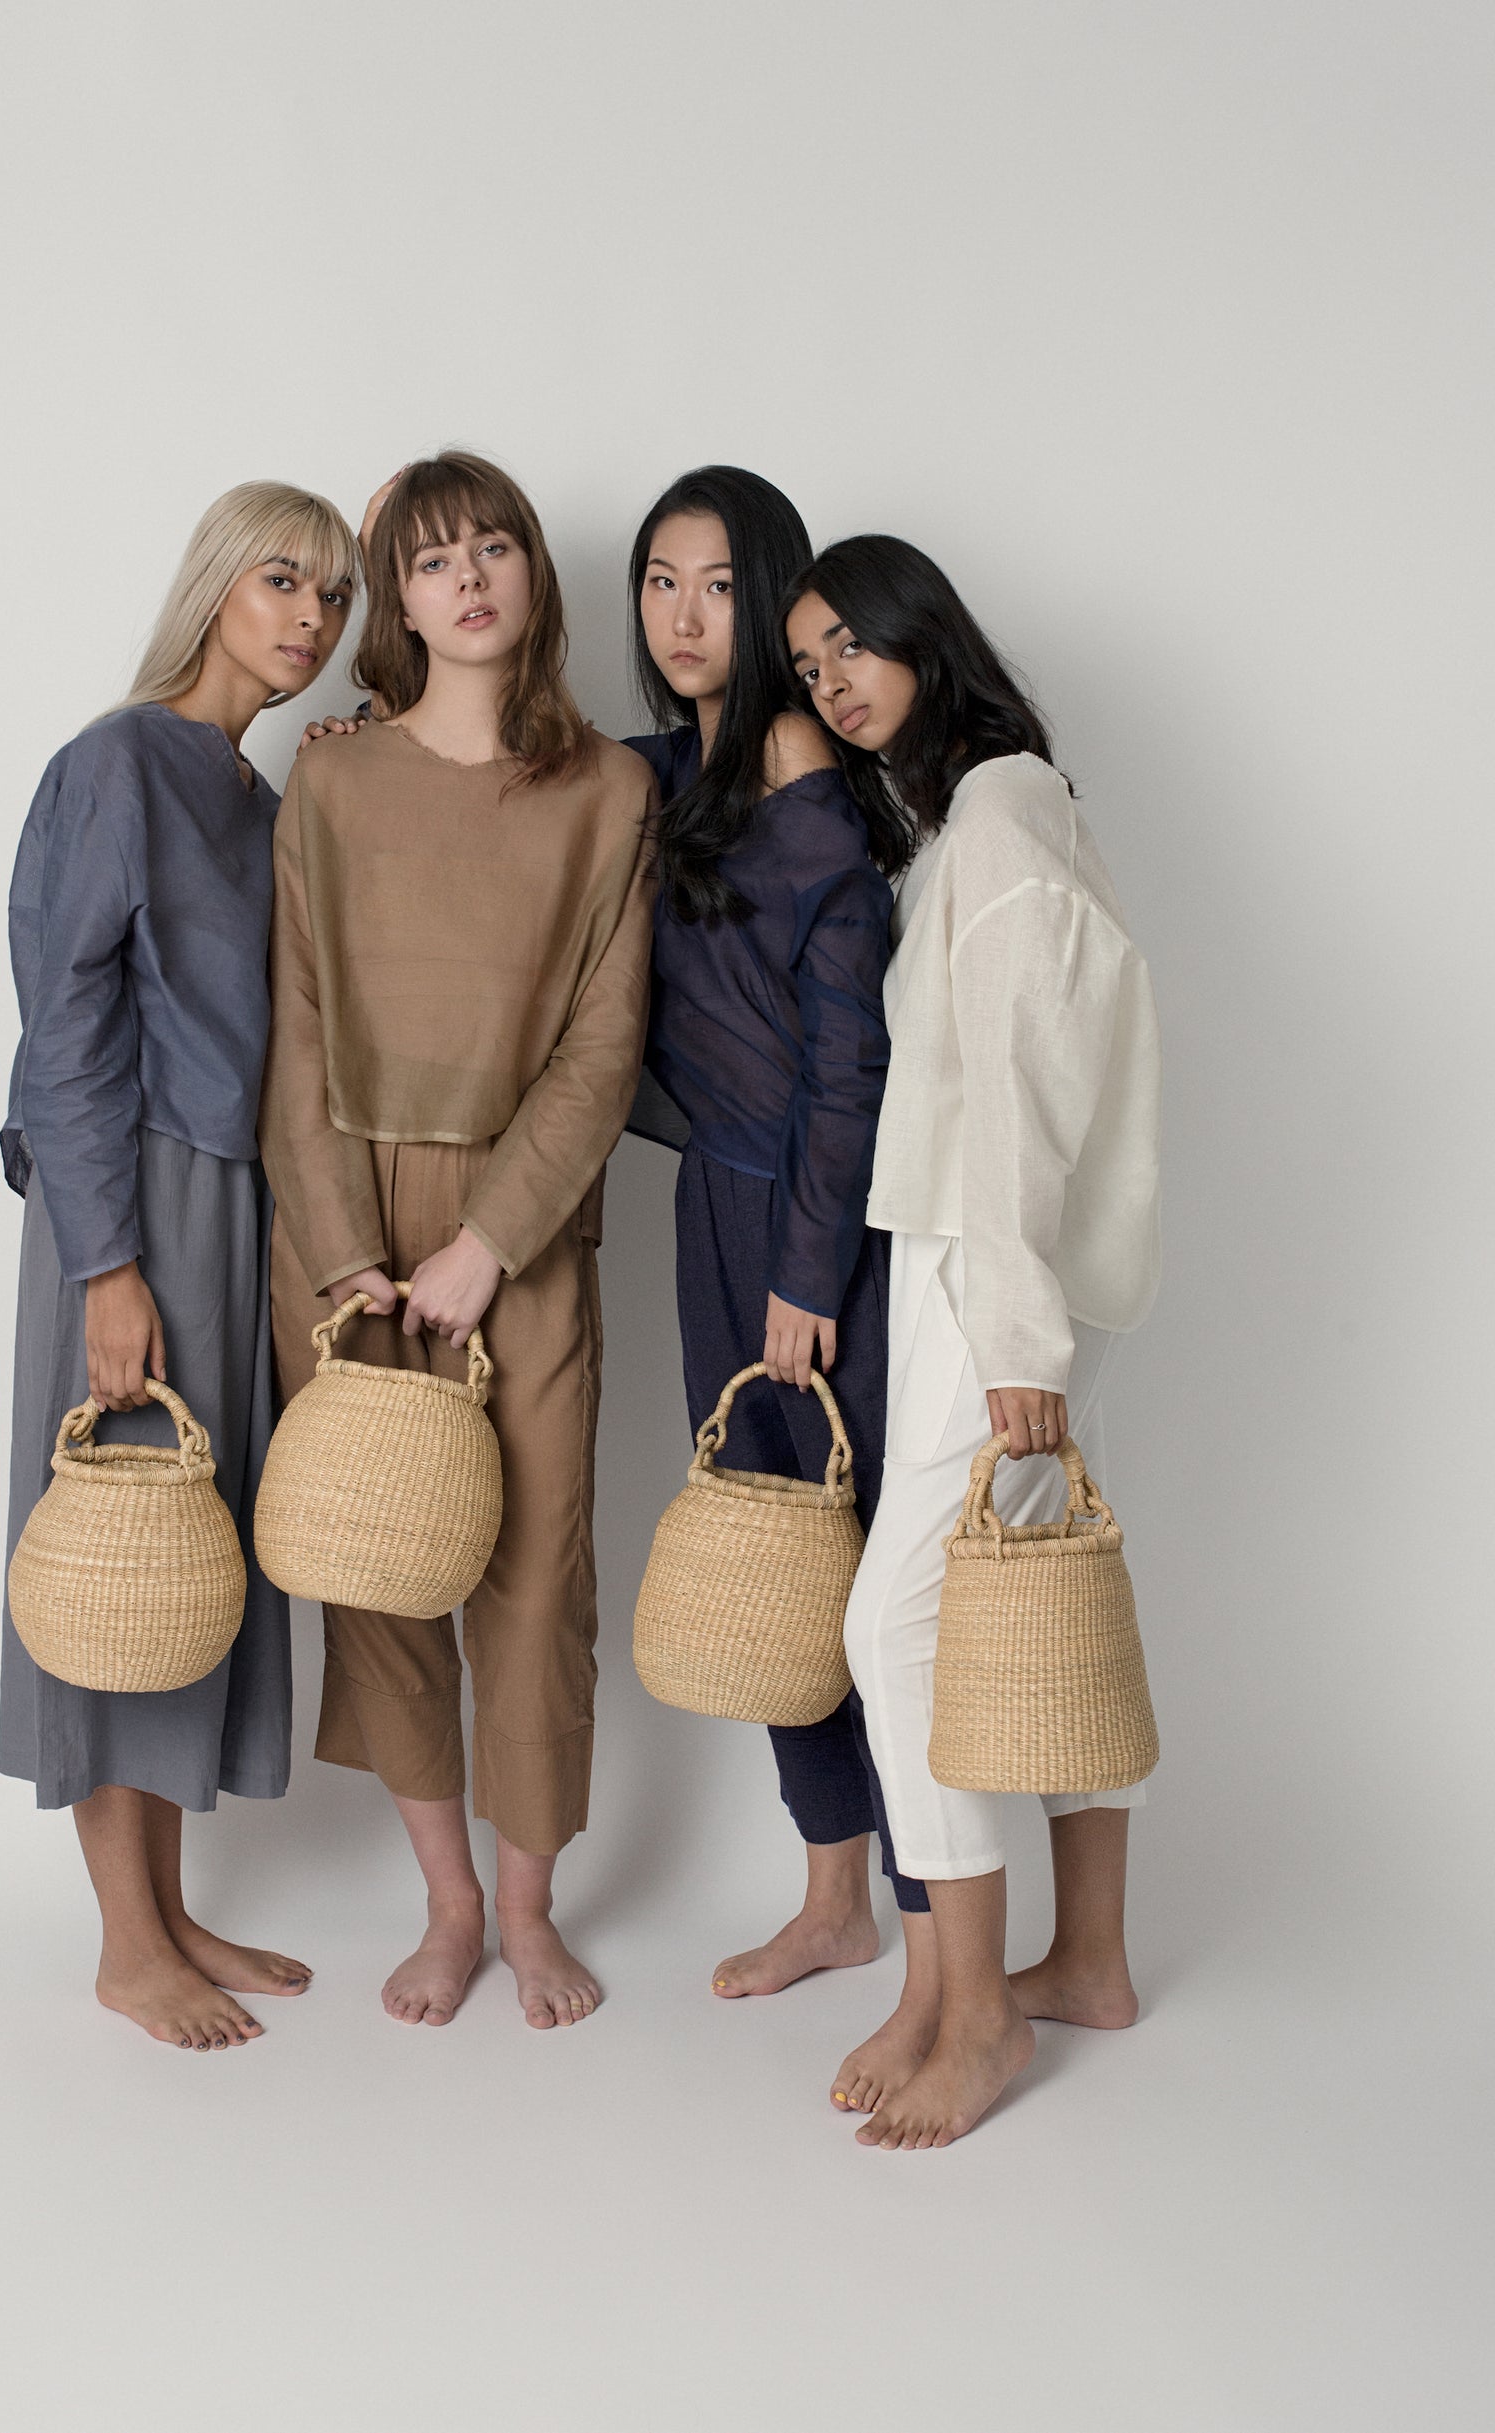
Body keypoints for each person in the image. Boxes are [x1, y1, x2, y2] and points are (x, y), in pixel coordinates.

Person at [260, 452, 656, 2031]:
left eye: (493, 546)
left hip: (528, 1224)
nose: (468, 578)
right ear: (397, 599)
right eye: (429, 561)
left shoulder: (611, 792)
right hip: (349, 1217)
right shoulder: (332, 778)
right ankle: (441, 1906)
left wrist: (491, 1241)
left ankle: (527, 1910)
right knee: (378, 1563)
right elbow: (294, 1037)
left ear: (531, 575)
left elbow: (604, 1046)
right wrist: (349, 1256)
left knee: (534, 1573)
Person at [786, 535, 1162, 2146]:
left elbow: (1009, 1099)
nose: (831, 682)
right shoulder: (989, 809)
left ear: (920, 633)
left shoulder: (997, 812)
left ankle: (978, 2002)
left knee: (898, 1627)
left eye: (847, 646)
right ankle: (1079, 1959)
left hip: (974, 1267)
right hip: (994, 1264)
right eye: (805, 668)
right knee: (1036, 1602)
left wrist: (1012, 1334)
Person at [0, 480, 359, 2050]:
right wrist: (104, 1264)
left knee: (185, 1545)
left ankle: (169, 1904)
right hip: (128, 1195)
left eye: (335, 598)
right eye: (284, 578)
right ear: (215, 583)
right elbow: (66, 1019)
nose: (309, 618)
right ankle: (123, 1937)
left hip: (236, 1205)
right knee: (111, 1531)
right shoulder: (116, 761)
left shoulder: (257, 795)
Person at [621, 468, 933, 2088]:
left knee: (866, 1576)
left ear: (777, 601)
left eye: (720, 586)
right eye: (659, 582)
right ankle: (831, 1897)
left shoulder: (807, 794)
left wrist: (809, 1270)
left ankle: (925, 1920)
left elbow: (849, 1066)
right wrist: (363, 723)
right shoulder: (674, 770)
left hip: (817, 1232)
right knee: (767, 1566)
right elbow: (521, 776)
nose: (683, 616)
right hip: (716, 1217)